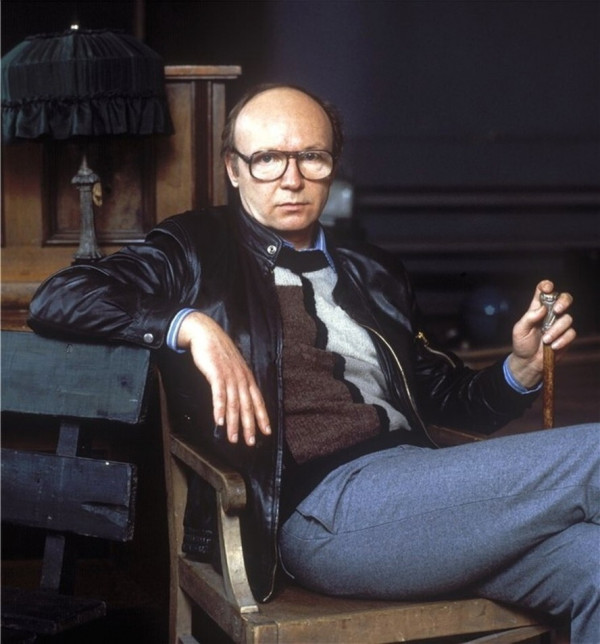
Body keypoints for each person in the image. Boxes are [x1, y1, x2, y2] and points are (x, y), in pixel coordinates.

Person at [28, 84, 598, 642]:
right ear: (234, 169)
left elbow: (446, 402)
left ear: (333, 166)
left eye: (312, 157)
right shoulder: (196, 248)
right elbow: (60, 296)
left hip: (423, 498)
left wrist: (520, 370)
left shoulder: (374, 271)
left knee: (593, 562)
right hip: (324, 515)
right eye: (267, 159)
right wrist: (192, 325)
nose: (292, 178)